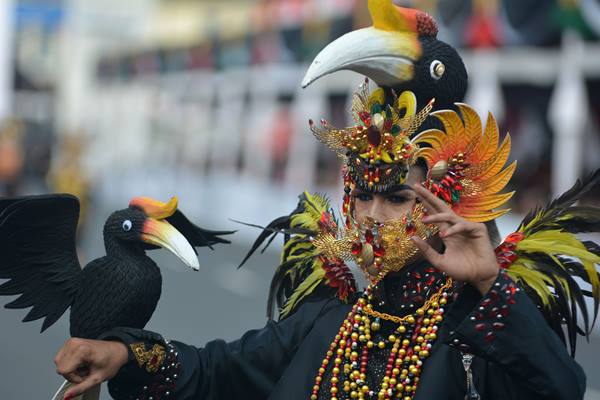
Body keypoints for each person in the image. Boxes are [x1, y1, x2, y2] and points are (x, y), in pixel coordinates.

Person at [54, 3, 599, 400]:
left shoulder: (479, 340)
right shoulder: (322, 324)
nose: (369, 215)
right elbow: (212, 371)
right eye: (360, 195)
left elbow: (558, 388)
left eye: (396, 198)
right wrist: (123, 354)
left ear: (444, 210)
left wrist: (488, 285)